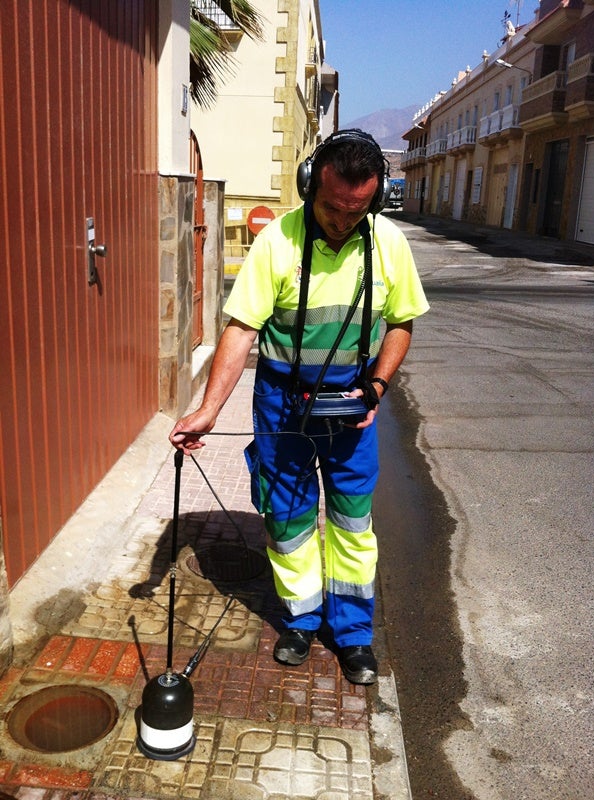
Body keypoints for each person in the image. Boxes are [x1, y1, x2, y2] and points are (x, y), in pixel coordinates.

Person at [170, 129, 429, 684]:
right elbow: (242, 330)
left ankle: (353, 634)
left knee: (352, 520)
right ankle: (301, 620)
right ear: (310, 184)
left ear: (376, 199)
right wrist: (208, 410)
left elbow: (401, 322)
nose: (343, 221)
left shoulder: (389, 243)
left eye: (358, 211)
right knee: (287, 518)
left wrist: (377, 388)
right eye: (333, 207)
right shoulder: (277, 242)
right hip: (282, 402)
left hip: (353, 401)